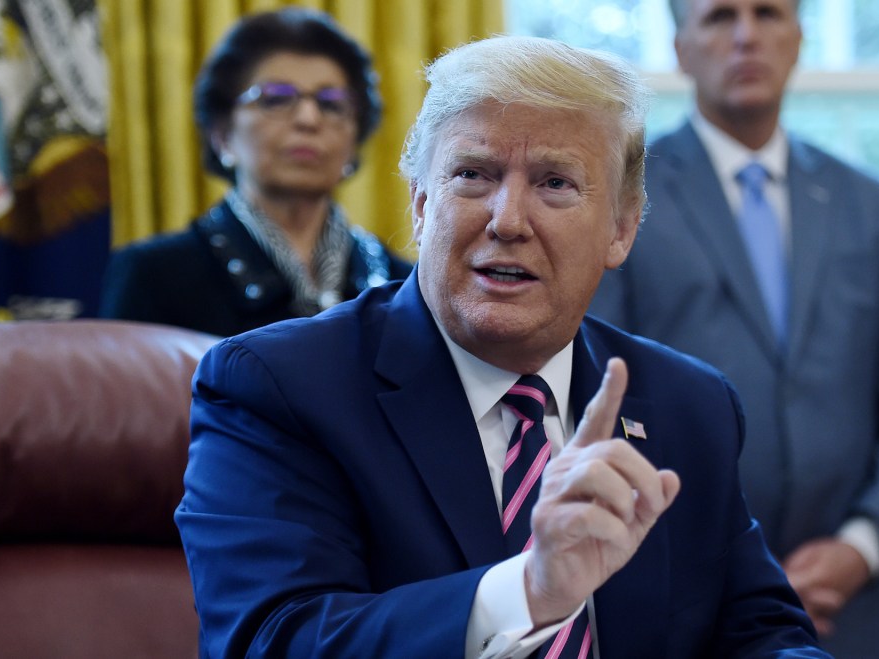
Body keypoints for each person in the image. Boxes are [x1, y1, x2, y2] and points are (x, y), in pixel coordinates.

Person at [175, 35, 830, 658]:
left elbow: (763, 631)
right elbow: (272, 639)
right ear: (422, 203)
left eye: (555, 183)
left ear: (622, 228)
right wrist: (530, 590)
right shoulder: (277, 386)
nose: (508, 220)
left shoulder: (687, 405)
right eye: (473, 174)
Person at [588, 1, 879, 657]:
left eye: (769, 13)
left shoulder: (872, 207)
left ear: (800, 36)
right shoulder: (620, 202)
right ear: (680, 45)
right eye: (721, 16)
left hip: (846, 606)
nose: (747, 35)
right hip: (685, 601)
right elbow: (602, 394)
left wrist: (860, 546)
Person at [99, 8, 411, 337]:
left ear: (354, 142)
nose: (308, 118)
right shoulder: (153, 275)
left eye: (331, 103)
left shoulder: (402, 284)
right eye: (276, 99)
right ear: (222, 136)